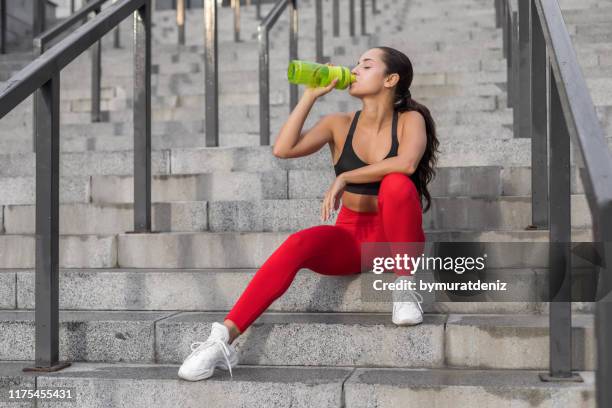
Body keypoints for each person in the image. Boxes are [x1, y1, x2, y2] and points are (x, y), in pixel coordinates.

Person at [178, 46, 440, 381]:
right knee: (300, 242)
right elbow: (282, 149)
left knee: (396, 185)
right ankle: (222, 340)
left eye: (367, 64)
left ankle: (405, 288)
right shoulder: (338, 124)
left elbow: (406, 164)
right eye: (356, 63)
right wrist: (310, 96)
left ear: (390, 79)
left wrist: (345, 176)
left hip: (394, 240)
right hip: (351, 239)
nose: (355, 69)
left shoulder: (410, 120)